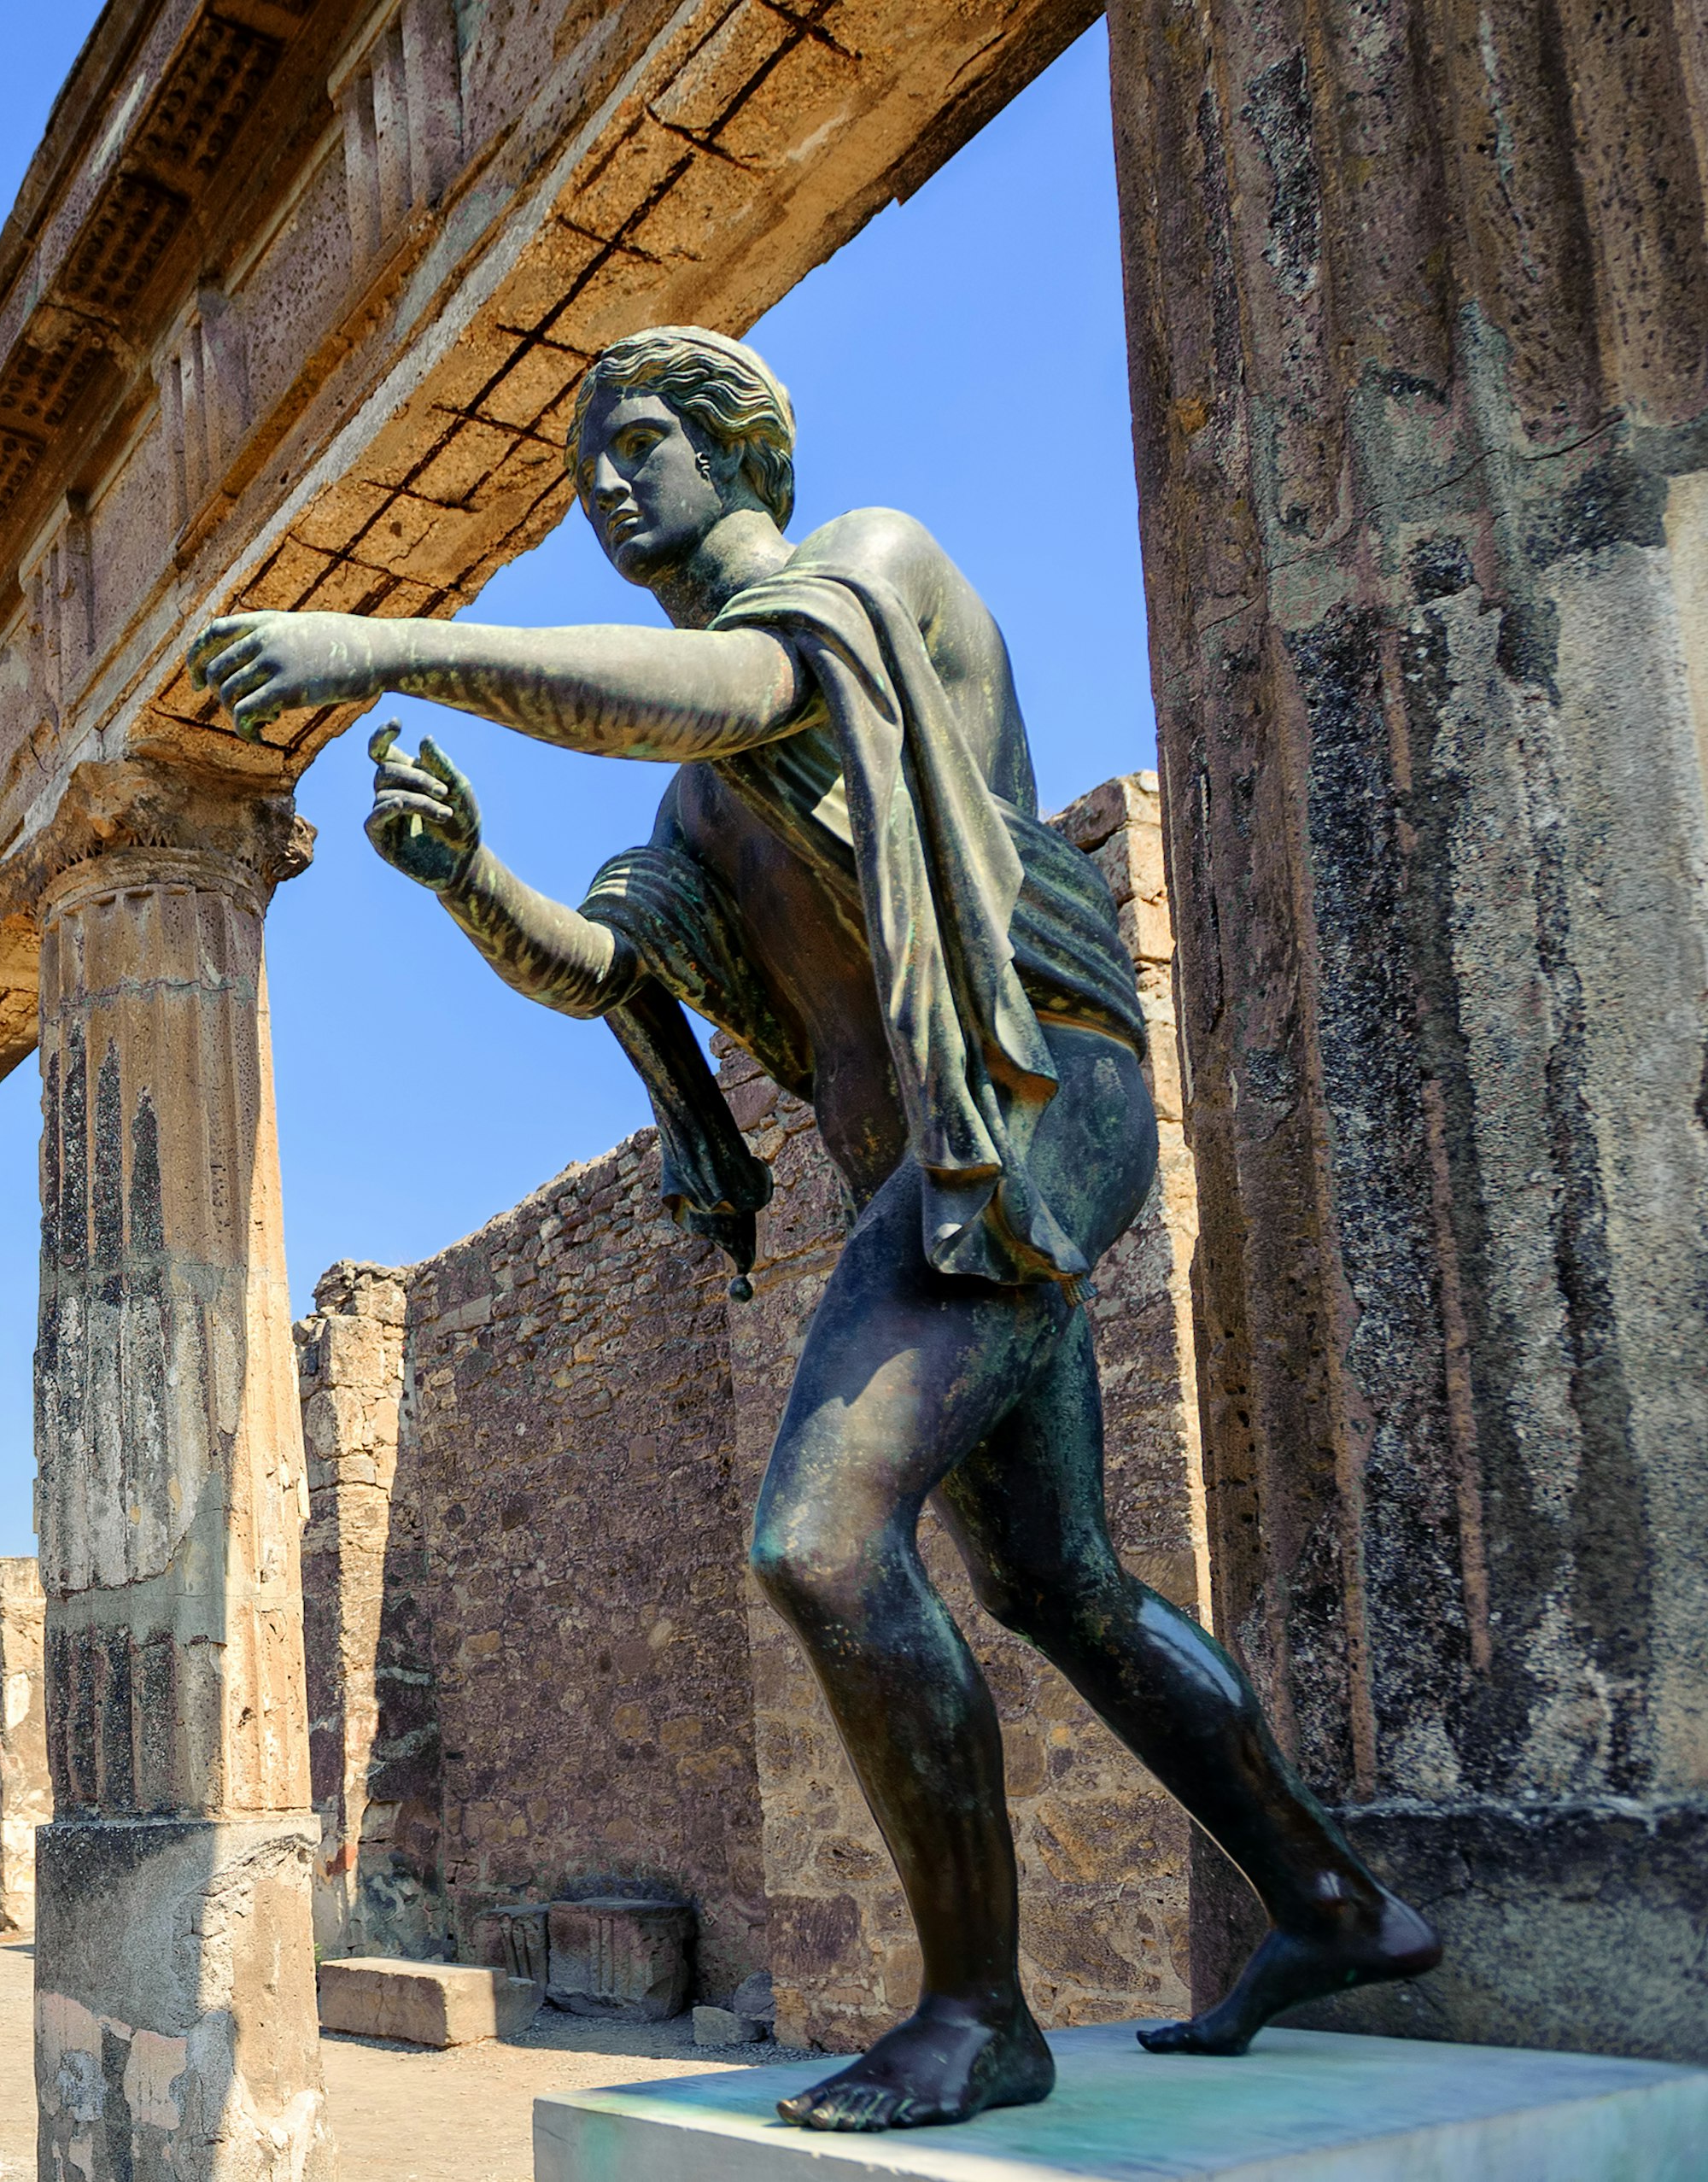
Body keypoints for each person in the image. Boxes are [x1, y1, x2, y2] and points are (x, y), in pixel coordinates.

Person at [186, 327, 1437, 2133]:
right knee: (1059, 1584)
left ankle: (978, 2008)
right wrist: (470, 879)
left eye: (637, 441)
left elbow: (734, 693)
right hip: (943, 1165)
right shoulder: (695, 802)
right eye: (582, 464)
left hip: (1017, 1113)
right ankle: (1330, 1901)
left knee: (822, 1543)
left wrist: (385, 646)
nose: (603, 482)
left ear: (737, 444)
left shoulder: (869, 572)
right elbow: (613, 966)